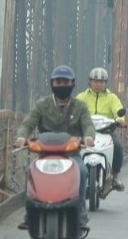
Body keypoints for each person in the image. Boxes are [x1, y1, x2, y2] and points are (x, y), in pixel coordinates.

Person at [15, 65, 95, 231]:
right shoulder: (42, 105)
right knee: (30, 171)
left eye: (65, 81)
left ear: (72, 84)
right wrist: (22, 137)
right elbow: (28, 123)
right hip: (45, 154)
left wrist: (88, 137)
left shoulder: (80, 106)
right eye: (58, 81)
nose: (62, 85)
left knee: (83, 171)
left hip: (71, 154)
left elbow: (88, 124)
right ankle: (30, 214)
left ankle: (80, 213)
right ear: (52, 83)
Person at [76, 67, 126, 194]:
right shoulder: (82, 97)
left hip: (106, 131)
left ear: (105, 83)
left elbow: (118, 110)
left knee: (118, 147)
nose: (98, 84)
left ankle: (115, 176)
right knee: (71, 147)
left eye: (101, 82)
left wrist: (120, 119)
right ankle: (70, 173)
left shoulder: (112, 98)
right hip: (86, 131)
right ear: (90, 82)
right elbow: (74, 109)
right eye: (95, 81)